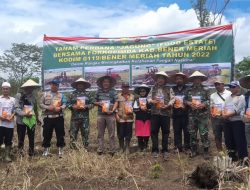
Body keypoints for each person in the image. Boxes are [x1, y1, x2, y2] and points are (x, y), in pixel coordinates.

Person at [148, 71, 175, 160]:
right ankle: (155, 150)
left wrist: (168, 105)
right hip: (155, 113)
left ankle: (165, 150)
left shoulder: (169, 89)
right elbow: (148, 98)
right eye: (159, 78)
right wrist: (152, 101)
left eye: (162, 78)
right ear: (157, 79)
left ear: (165, 80)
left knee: (166, 132)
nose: (160, 80)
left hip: (165, 114)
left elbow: (173, 99)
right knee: (154, 131)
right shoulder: (153, 89)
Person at [185, 71, 210, 160]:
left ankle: (206, 151)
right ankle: (194, 150)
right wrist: (189, 103)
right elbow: (184, 100)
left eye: (198, 78)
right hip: (192, 115)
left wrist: (204, 104)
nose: (197, 80)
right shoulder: (188, 90)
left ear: (201, 79)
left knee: (204, 133)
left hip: (203, 115)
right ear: (192, 80)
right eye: (195, 78)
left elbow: (209, 100)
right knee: (192, 133)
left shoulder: (206, 89)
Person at [40, 79, 66, 157]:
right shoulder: (45, 94)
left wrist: (60, 108)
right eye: (53, 84)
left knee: (60, 133)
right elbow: (40, 104)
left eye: (56, 85)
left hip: (58, 117)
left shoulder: (61, 95)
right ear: (50, 85)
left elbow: (65, 103)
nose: (54, 86)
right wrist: (47, 107)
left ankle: (60, 149)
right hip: (48, 118)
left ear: (58, 86)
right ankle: (46, 149)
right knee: (47, 134)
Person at [223, 81, 248, 161]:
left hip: (238, 122)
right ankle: (232, 157)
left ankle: (243, 158)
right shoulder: (227, 98)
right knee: (228, 140)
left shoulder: (242, 97)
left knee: (239, 140)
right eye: (230, 86)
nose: (231, 88)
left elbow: (238, 110)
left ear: (238, 87)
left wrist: (227, 115)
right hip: (227, 122)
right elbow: (224, 108)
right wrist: (223, 114)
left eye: (233, 86)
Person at [15, 79, 41, 157]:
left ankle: (31, 152)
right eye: (29, 87)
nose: (31, 88)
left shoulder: (33, 97)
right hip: (21, 120)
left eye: (32, 87)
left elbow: (35, 109)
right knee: (21, 137)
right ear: (25, 87)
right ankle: (20, 153)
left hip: (31, 120)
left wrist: (37, 119)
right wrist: (24, 114)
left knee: (31, 137)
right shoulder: (19, 95)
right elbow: (16, 108)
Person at [94, 76, 118, 155]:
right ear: (102, 83)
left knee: (111, 133)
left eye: (107, 82)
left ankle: (112, 150)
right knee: (100, 133)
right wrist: (99, 103)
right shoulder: (98, 91)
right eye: (104, 82)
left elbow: (116, 102)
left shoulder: (113, 91)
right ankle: (100, 149)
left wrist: (112, 110)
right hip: (101, 115)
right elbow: (94, 101)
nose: (106, 83)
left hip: (110, 115)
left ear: (110, 83)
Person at [67, 78, 93, 149]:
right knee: (73, 133)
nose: (80, 85)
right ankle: (73, 148)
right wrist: (73, 106)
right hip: (74, 118)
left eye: (82, 84)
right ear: (76, 85)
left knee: (85, 132)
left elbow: (92, 104)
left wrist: (86, 106)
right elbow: (67, 104)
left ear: (84, 85)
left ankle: (85, 148)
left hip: (85, 118)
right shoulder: (72, 94)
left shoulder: (88, 94)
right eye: (79, 84)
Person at [210, 79, 231, 152]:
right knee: (217, 135)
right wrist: (212, 113)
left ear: (223, 84)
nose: (217, 86)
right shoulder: (212, 95)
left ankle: (229, 151)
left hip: (227, 117)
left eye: (219, 84)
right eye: (216, 85)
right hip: (216, 118)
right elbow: (211, 106)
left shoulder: (229, 93)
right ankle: (220, 151)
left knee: (228, 135)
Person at [171, 72, 190, 153]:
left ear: (183, 80)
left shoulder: (188, 89)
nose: (179, 80)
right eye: (177, 79)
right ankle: (178, 147)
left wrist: (186, 103)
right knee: (177, 131)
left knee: (187, 131)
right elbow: (170, 100)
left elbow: (191, 100)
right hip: (175, 114)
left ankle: (187, 147)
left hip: (186, 114)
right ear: (175, 80)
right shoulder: (172, 89)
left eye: (180, 79)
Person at [116, 82, 135, 154]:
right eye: (124, 87)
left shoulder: (132, 97)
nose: (125, 88)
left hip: (129, 118)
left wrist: (133, 111)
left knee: (128, 134)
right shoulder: (118, 96)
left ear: (128, 88)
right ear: (121, 88)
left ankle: (127, 147)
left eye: (127, 87)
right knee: (120, 134)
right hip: (120, 118)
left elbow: (135, 107)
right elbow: (115, 106)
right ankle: (121, 147)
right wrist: (116, 115)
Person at [0, 82, 15, 162]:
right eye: (4, 88)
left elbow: (15, 110)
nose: (5, 90)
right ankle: (1, 155)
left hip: (10, 124)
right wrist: (1, 117)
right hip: (0, 123)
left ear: (9, 90)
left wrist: (12, 116)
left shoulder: (13, 99)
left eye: (7, 89)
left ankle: (7, 156)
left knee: (8, 140)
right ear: (2, 89)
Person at [133, 84, 151, 152]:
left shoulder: (149, 100)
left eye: (144, 91)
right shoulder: (137, 100)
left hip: (147, 118)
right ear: (139, 92)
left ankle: (145, 145)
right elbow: (134, 110)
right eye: (141, 91)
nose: (142, 92)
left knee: (147, 133)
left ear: (146, 92)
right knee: (139, 133)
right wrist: (140, 108)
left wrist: (147, 110)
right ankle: (140, 146)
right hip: (139, 119)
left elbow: (152, 109)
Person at [240, 75, 250, 148]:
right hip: (248, 121)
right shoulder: (246, 95)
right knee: (248, 140)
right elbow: (243, 108)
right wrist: (242, 116)